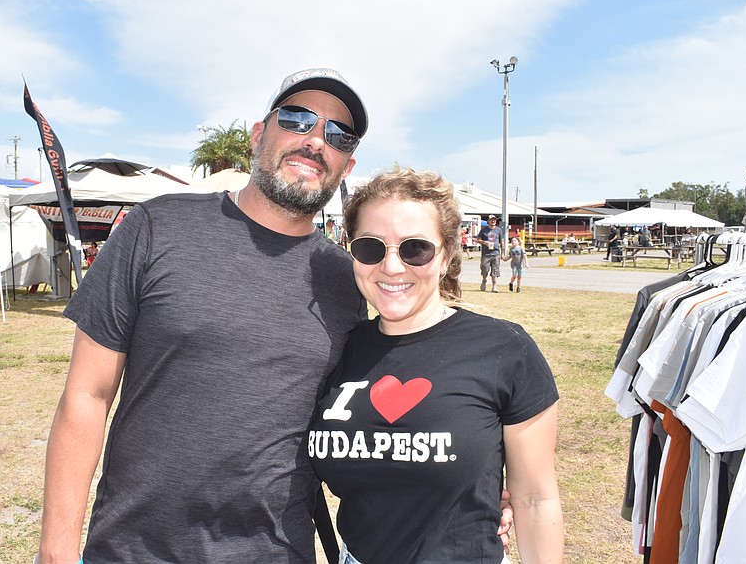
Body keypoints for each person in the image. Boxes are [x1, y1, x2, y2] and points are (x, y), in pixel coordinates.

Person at [37, 68, 372, 564]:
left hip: (278, 551)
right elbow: (87, 395)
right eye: (298, 118)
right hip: (135, 550)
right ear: (259, 136)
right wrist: (57, 549)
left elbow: (362, 423)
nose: (314, 140)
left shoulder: (348, 279)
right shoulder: (155, 227)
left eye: (337, 135)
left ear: (346, 166)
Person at [308, 169, 564, 564]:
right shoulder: (338, 348)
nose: (392, 267)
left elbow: (534, 498)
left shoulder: (503, 349)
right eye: (371, 248)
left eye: (415, 249)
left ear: (445, 256)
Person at [477, 214, 506, 292]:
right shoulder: (483, 230)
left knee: (495, 270)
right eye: (491, 220)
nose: (493, 221)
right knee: (484, 269)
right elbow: (478, 240)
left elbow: (501, 242)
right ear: (488, 221)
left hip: (495, 253)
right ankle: (484, 280)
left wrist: (502, 253)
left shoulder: (498, 230)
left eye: (494, 220)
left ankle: (494, 286)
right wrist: (484, 242)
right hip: (486, 254)